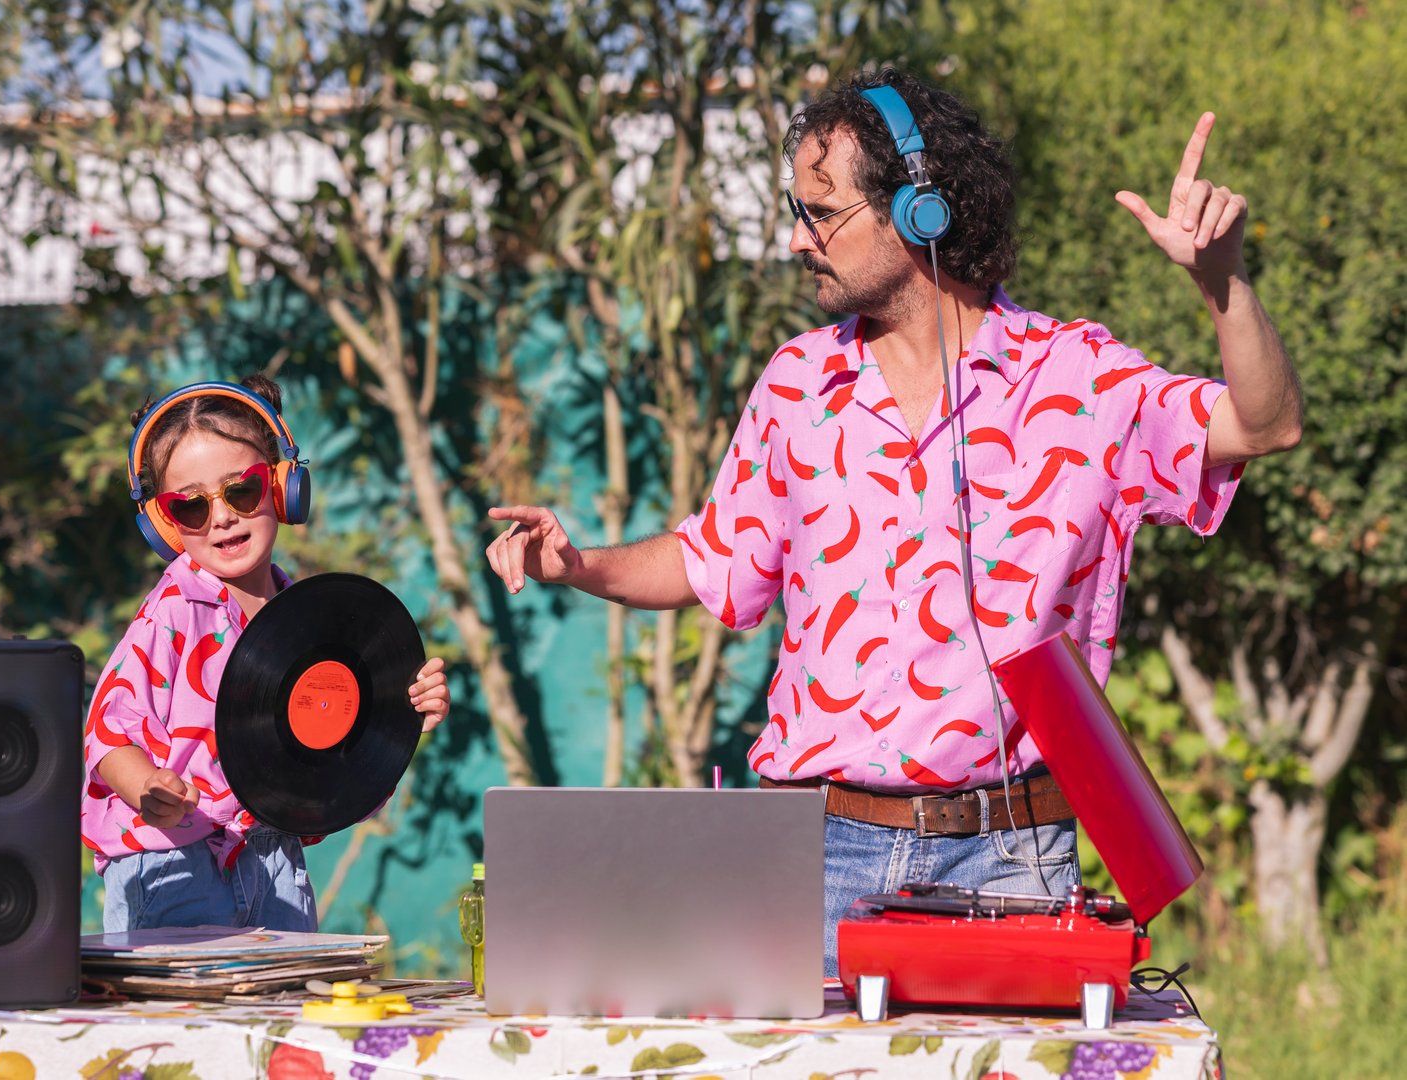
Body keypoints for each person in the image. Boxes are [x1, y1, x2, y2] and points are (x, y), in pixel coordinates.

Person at [484, 68, 1301, 976]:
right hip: (819, 855)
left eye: (820, 210)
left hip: (1013, 857)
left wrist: (1220, 280)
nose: (797, 239)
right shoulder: (796, 385)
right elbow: (712, 559)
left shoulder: (1079, 380)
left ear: (920, 210)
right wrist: (578, 563)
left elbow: (1265, 425)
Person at [83, 374, 451, 933]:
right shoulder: (174, 610)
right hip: (169, 862)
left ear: (282, 488)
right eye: (190, 507)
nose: (223, 516)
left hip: (274, 857)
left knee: (275, 1012)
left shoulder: (307, 618)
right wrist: (145, 787)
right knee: (187, 1018)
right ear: (164, 523)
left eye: (242, 490)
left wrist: (400, 716)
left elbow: (331, 760)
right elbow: (107, 731)